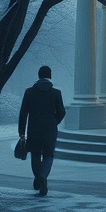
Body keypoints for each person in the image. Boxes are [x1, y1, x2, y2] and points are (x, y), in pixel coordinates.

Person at [19, 65, 66, 197]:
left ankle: (38, 177)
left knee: (35, 154)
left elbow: (23, 113)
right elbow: (62, 111)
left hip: (34, 129)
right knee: (48, 155)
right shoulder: (56, 93)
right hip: (50, 130)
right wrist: (54, 121)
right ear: (50, 76)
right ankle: (43, 177)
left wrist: (21, 132)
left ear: (38, 76)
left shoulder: (29, 92)